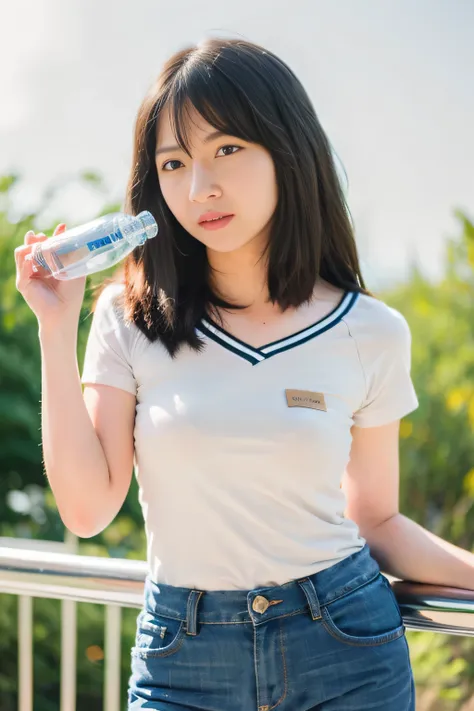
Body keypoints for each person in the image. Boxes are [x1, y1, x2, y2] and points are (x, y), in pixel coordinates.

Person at [15, 37, 422, 710]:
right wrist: (55, 330)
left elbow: (377, 519)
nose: (199, 187)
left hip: (346, 649)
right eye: (174, 163)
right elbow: (87, 509)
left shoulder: (369, 331)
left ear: (286, 149)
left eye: (226, 149)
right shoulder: (129, 316)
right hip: (183, 660)